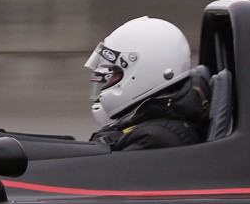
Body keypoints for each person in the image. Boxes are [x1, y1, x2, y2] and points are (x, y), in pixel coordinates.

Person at [85, 16, 210, 151]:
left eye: (115, 72)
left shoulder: (155, 139)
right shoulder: (151, 123)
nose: (107, 81)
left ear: (146, 70)